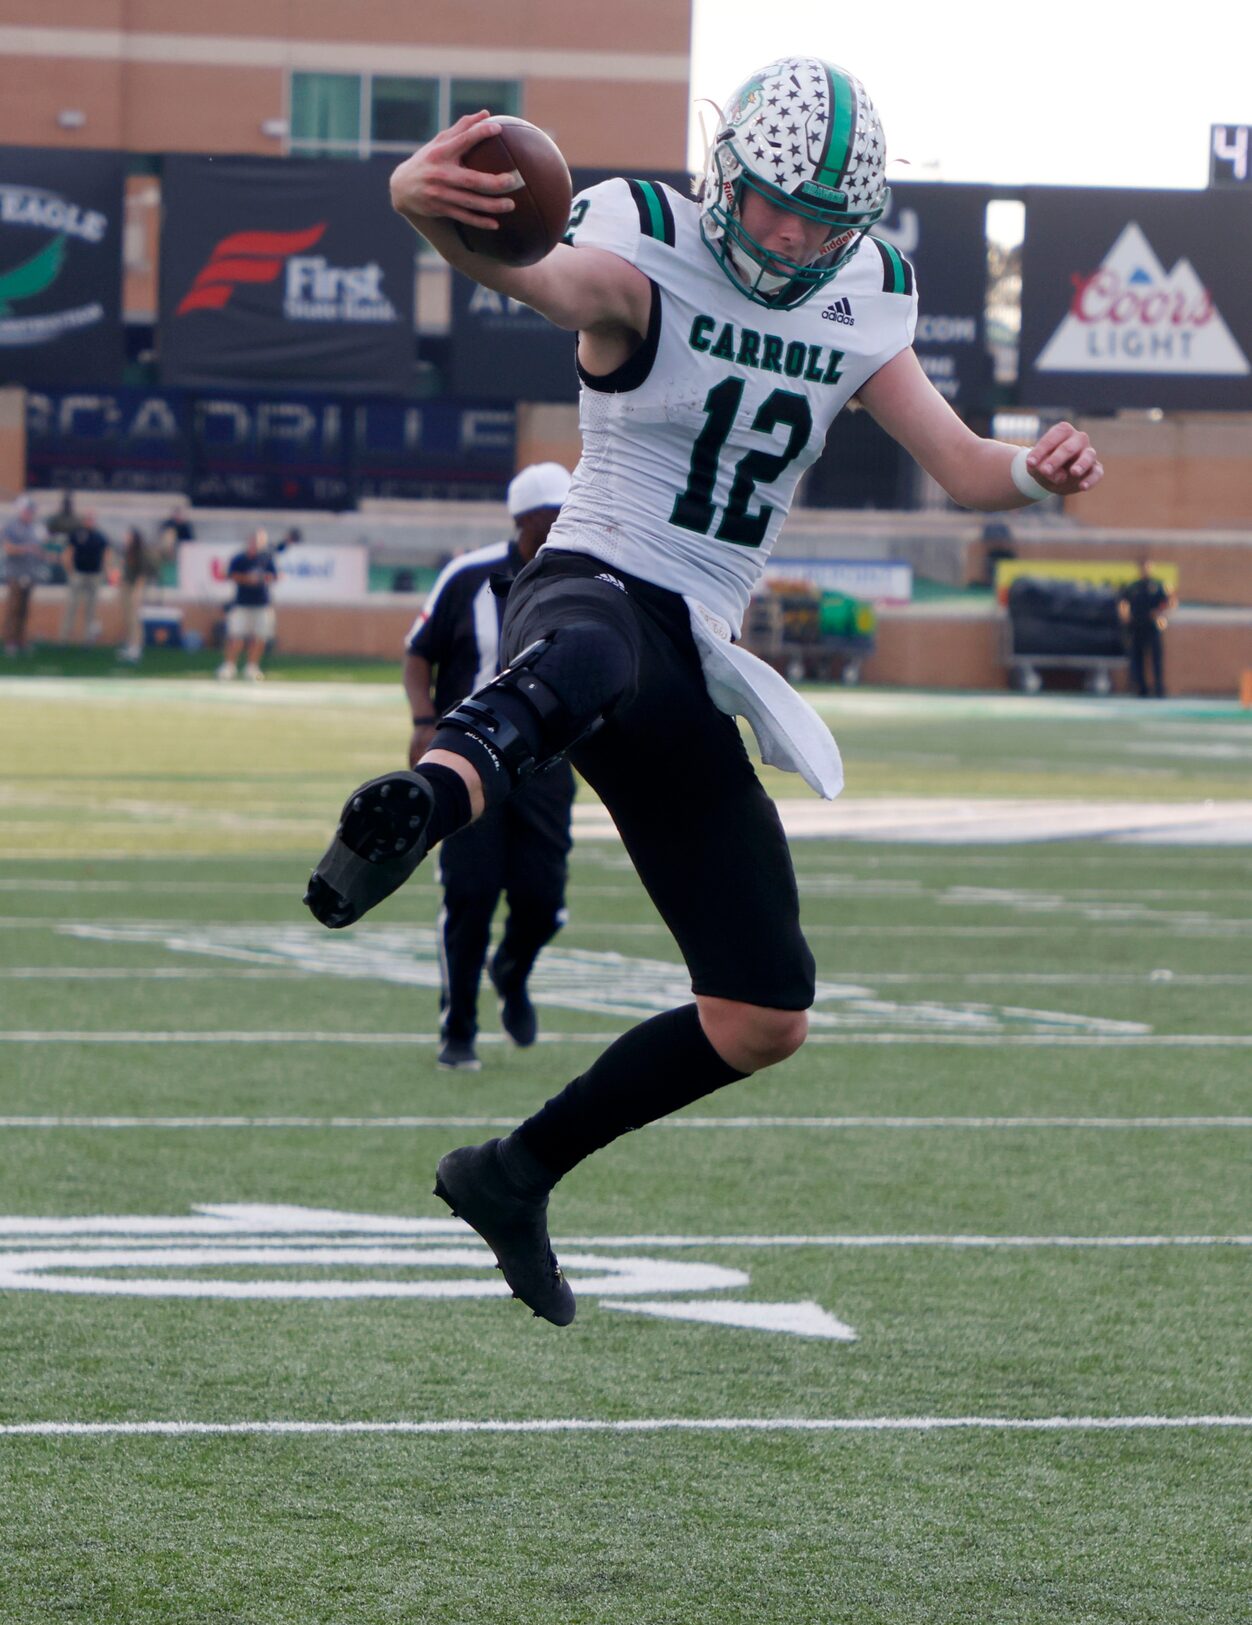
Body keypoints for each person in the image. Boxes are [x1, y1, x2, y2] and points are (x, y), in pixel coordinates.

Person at [305, 58, 1105, 1327]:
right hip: (589, 576)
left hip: (699, 651)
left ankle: (513, 1175)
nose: (790, 234)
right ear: (726, 172)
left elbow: (962, 467)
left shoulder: (864, 294)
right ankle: (426, 797)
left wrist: (1039, 468)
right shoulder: (646, 239)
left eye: (818, 216)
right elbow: (537, 274)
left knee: (764, 1009)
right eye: (775, 201)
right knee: (596, 658)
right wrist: (425, 211)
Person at [405, 462, 575, 1071]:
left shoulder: (583, 577)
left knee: (543, 899)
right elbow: (418, 653)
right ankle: (459, 1028)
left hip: (546, 762)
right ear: (525, 518)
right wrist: (425, 725)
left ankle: (513, 968)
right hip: (471, 758)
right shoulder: (468, 575)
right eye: (552, 513)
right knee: (470, 894)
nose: (561, 522)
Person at [217, 528, 278, 681]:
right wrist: (248, 579)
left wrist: (262, 578)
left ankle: (252, 667)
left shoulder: (267, 558)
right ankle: (229, 666)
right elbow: (230, 575)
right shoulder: (240, 559)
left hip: (262, 603)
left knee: (260, 637)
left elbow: (275, 576)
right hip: (241, 603)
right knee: (235, 636)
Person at [1118, 553, 1173, 699]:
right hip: (1137, 626)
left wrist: (1161, 614)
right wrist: (1125, 615)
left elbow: (1170, 602)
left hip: (1152, 625)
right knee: (1138, 658)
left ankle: (1159, 688)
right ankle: (1141, 689)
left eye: (1148, 567)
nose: (1145, 570)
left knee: (1156, 658)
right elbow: (1123, 602)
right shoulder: (1133, 586)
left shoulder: (1158, 585)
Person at [59, 507, 112, 643]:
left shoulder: (100, 536)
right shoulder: (77, 534)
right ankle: (64, 636)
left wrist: (105, 570)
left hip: (93, 575)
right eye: (88, 519)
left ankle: (88, 638)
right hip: (79, 573)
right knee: (72, 605)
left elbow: (106, 553)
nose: (90, 521)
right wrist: (70, 570)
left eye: (92, 519)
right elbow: (68, 552)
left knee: (91, 608)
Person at [3, 496, 47, 658]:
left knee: (25, 610)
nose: (30, 514)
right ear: (21, 511)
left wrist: (43, 551)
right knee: (13, 609)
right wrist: (26, 548)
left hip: (30, 573)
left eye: (32, 512)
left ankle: (21, 640)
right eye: (28, 511)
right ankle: (10, 641)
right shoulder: (11, 527)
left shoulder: (36, 528)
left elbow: (42, 549)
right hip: (16, 574)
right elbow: (8, 548)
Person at [116, 527, 159, 664]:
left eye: (128, 536)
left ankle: (136, 647)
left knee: (135, 618)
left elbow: (142, 574)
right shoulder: (127, 552)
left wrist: (137, 591)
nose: (125, 538)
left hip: (135, 588)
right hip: (126, 586)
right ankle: (130, 644)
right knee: (128, 617)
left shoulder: (140, 553)